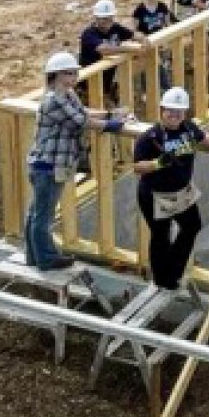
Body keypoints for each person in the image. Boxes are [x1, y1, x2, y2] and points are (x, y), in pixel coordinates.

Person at [133, 87, 209, 290]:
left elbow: (203, 138)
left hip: (180, 193)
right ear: (162, 110)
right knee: (160, 235)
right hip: (155, 195)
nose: (174, 115)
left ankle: (173, 270)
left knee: (192, 226)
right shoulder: (150, 137)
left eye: (179, 112)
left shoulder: (188, 129)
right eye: (170, 111)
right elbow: (137, 167)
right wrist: (158, 163)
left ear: (184, 113)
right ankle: (162, 279)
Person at [24, 52, 127, 269]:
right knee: (43, 216)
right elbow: (79, 121)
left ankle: (33, 257)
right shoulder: (53, 100)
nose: (73, 77)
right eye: (68, 73)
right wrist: (110, 125)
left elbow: (83, 112)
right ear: (55, 75)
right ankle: (46, 259)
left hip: (49, 165)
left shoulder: (67, 95)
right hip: (48, 166)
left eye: (74, 73)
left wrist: (109, 115)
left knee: (37, 213)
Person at [79, 0, 144, 104]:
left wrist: (143, 40)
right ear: (96, 18)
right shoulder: (89, 34)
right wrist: (129, 49)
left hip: (106, 84)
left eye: (110, 18)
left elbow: (134, 35)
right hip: (89, 86)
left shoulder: (115, 28)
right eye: (104, 19)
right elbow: (104, 49)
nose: (107, 22)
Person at [132, 0, 175, 90]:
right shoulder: (139, 10)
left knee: (161, 65)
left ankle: (164, 88)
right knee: (147, 67)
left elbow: (168, 25)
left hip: (160, 41)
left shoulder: (162, 7)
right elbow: (135, 29)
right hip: (146, 42)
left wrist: (167, 41)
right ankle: (149, 91)